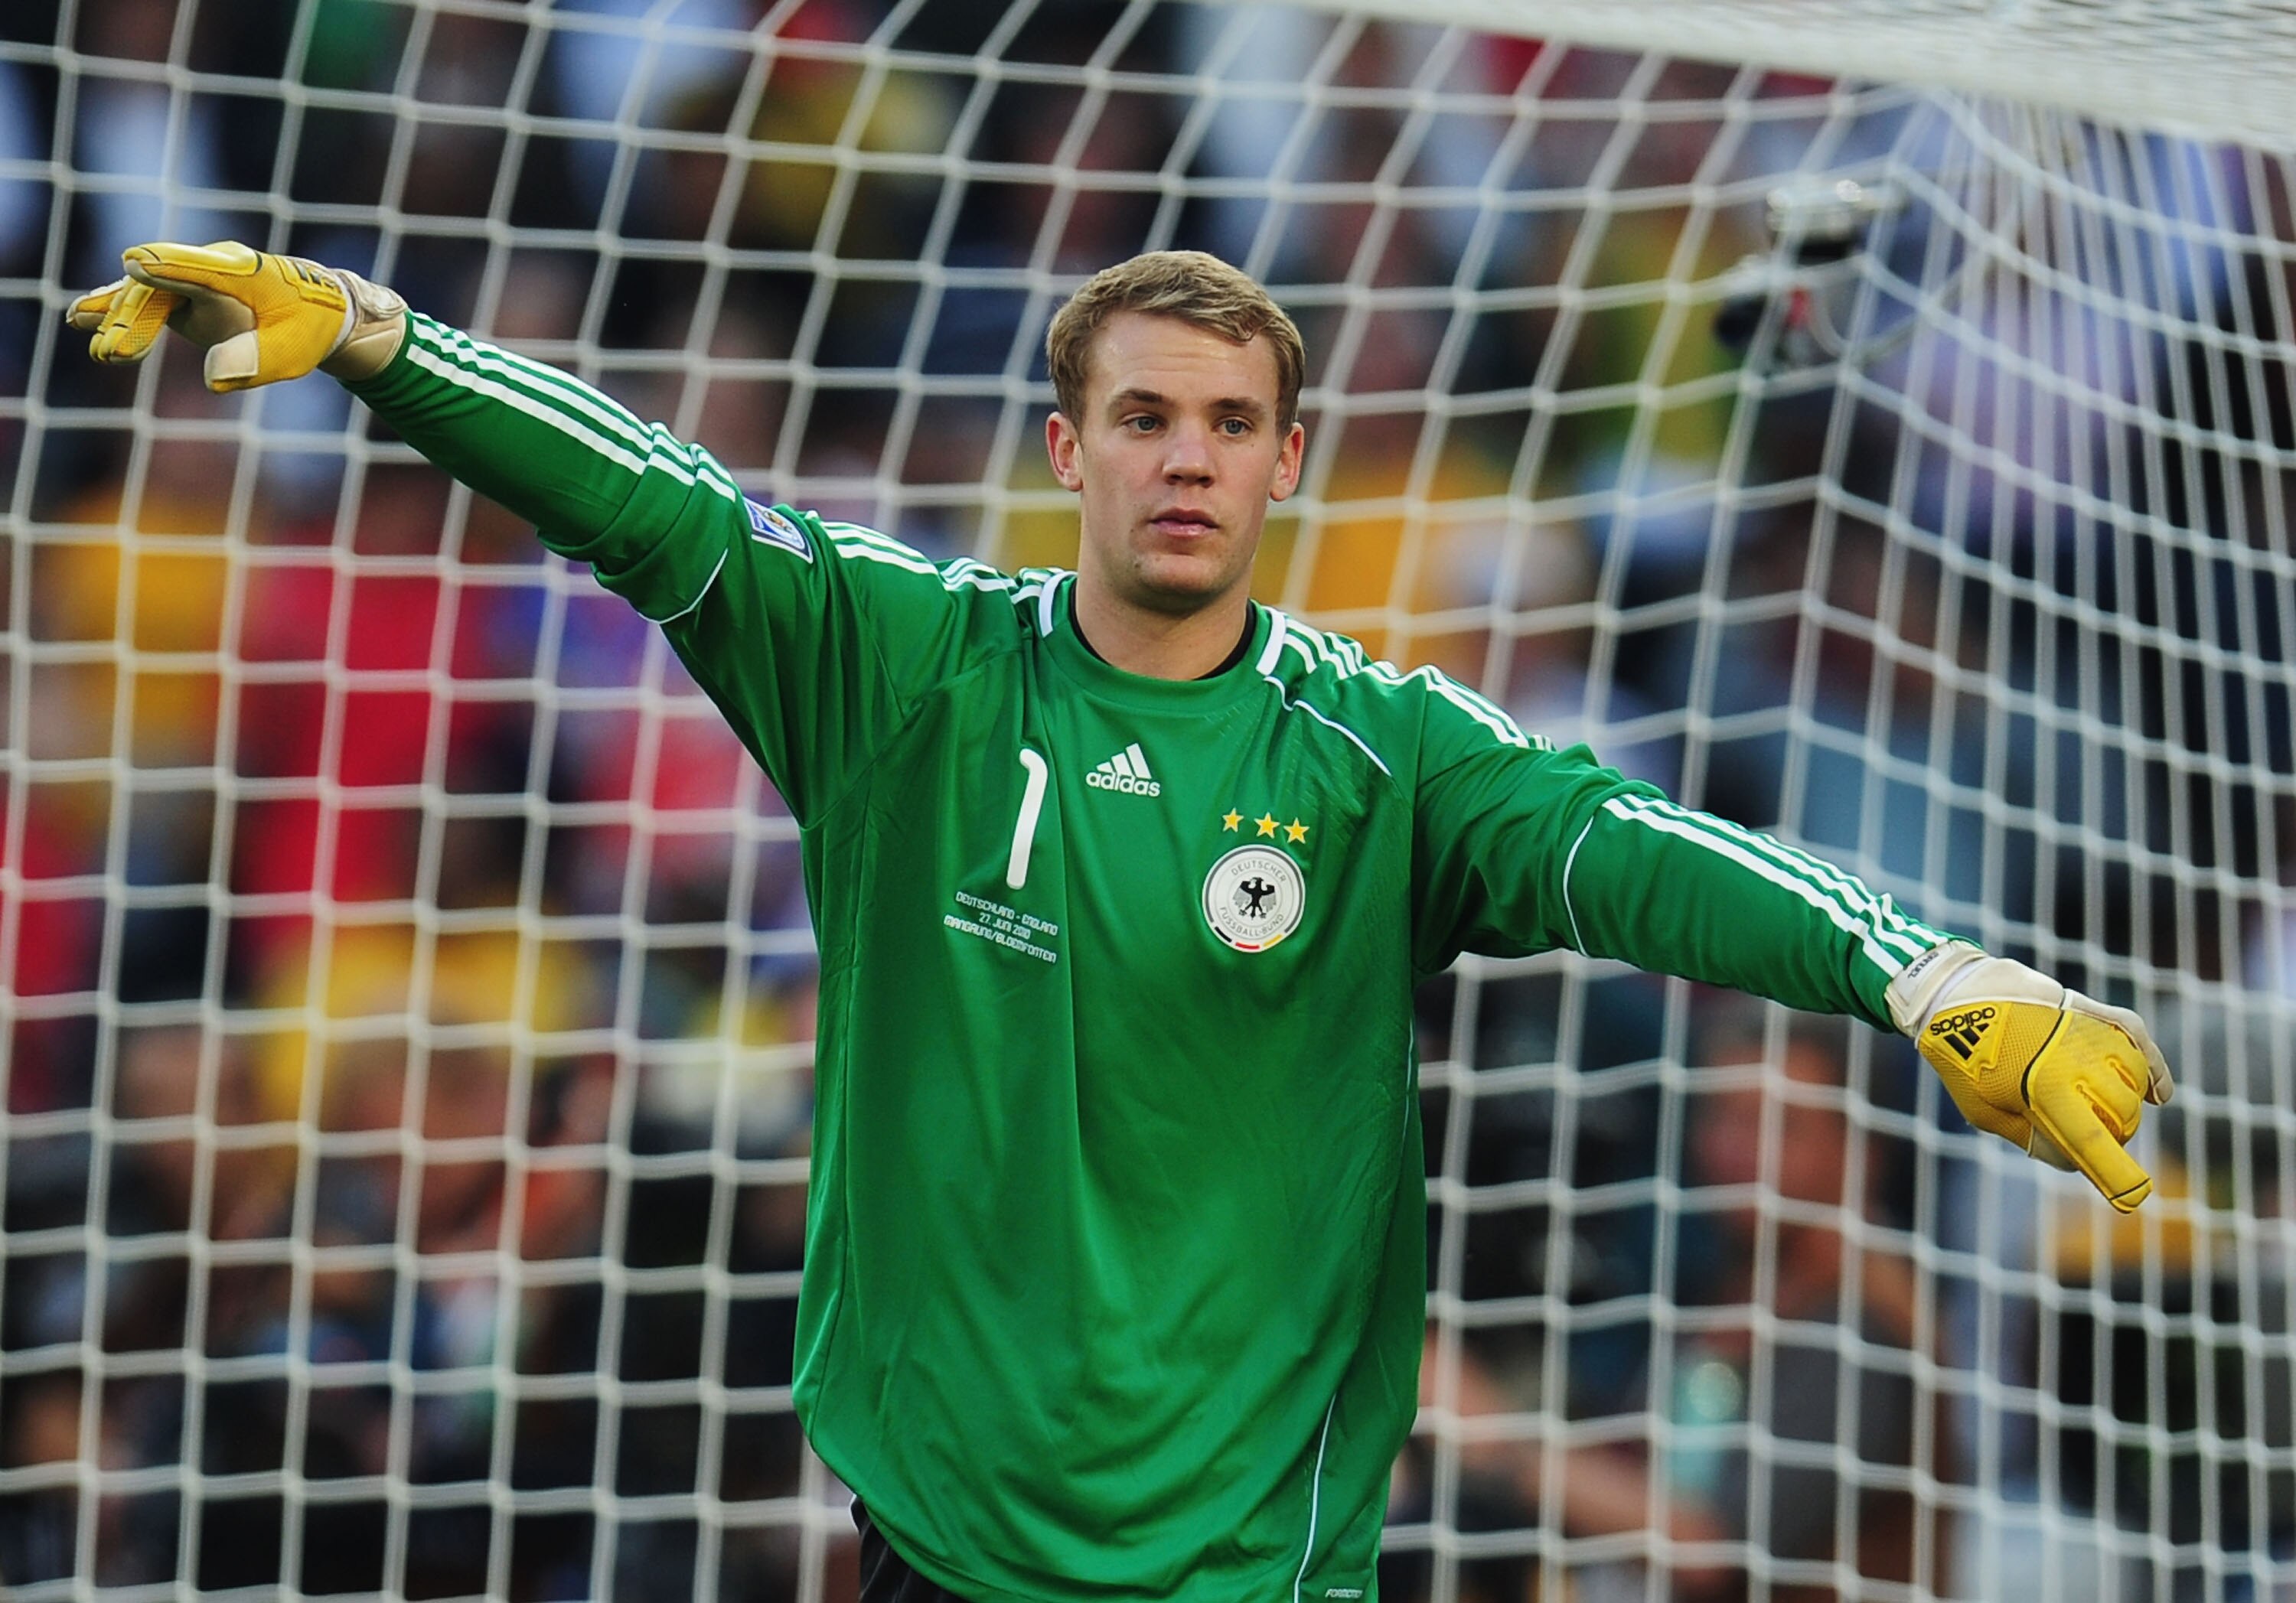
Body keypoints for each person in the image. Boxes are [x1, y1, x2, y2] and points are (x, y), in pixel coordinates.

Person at [69, 241, 2174, 1602]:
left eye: (1232, 424)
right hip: (937, 1549)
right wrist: (386, 345)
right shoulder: (904, 672)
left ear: (1283, 469)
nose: (1189, 459)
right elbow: (653, 503)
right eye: (1148, 417)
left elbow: (1635, 850)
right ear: (1069, 447)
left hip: (1250, 1569)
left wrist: (1933, 966)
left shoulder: (1380, 753)